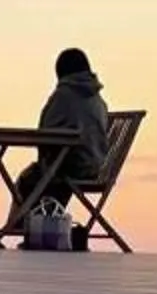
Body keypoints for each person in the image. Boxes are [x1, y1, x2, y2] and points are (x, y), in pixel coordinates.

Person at [11, 47, 110, 248]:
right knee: (46, 177)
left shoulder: (63, 95)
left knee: (30, 178)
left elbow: (44, 130)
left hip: (68, 166)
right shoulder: (97, 99)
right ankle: (35, 230)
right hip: (93, 167)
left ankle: (18, 228)